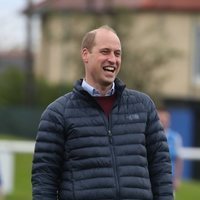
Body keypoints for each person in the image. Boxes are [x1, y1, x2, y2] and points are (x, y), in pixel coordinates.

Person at [32, 25, 174, 200]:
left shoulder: (143, 106)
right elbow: (44, 179)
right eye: (105, 52)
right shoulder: (57, 114)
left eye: (117, 53)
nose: (112, 59)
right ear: (85, 54)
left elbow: (161, 169)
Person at [158, 108, 183, 191]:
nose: (163, 121)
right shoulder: (149, 136)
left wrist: (177, 178)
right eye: (161, 119)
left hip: (169, 179)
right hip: (154, 177)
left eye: (165, 119)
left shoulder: (175, 137)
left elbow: (179, 159)